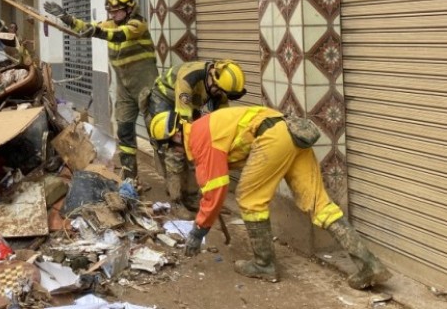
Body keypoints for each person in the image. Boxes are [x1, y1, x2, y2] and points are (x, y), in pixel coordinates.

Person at [152, 105, 391, 290]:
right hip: (290, 132)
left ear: (173, 136)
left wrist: (199, 230)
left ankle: (264, 264)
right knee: (319, 204)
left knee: (249, 198)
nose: (172, 152)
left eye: (167, 146)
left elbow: (216, 190)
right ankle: (369, 264)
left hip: (272, 139)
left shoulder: (200, 138)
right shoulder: (204, 127)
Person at [44, 0, 158, 181]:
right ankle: (131, 179)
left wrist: (96, 31)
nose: (112, 15)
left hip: (146, 88)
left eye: (116, 11)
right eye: (110, 12)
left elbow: (118, 35)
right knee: (125, 132)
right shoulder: (111, 24)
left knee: (158, 133)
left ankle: (174, 180)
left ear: (129, 9)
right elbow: (87, 26)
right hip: (125, 89)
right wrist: (65, 17)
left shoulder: (138, 24)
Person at [146, 60, 246, 213]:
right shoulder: (189, 79)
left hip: (189, 105)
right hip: (165, 99)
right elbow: (185, 125)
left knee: (197, 147)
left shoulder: (220, 89)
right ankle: (176, 200)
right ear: (213, 79)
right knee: (177, 145)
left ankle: (192, 196)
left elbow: (222, 122)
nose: (221, 96)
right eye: (220, 92)